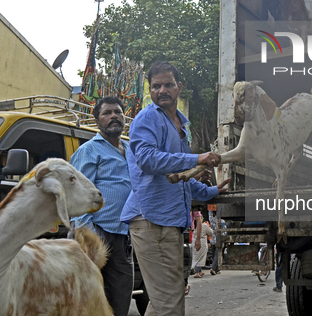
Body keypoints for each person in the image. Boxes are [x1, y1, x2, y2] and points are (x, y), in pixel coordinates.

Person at [121, 61, 230, 316]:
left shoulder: (181, 125)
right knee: (169, 302)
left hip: (167, 221)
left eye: (168, 84)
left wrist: (211, 192)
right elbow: (148, 160)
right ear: (150, 89)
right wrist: (197, 158)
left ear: (179, 87)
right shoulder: (148, 118)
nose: (162, 90)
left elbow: (179, 178)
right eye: (156, 86)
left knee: (167, 301)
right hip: (150, 220)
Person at [69, 96, 133, 316]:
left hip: (123, 233)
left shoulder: (131, 148)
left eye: (118, 112)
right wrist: (89, 236)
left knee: (121, 294)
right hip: (97, 233)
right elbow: (78, 195)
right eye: (107, 113)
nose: (113, 116)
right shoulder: (89, 150)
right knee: (90, 297)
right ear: (97, 121)